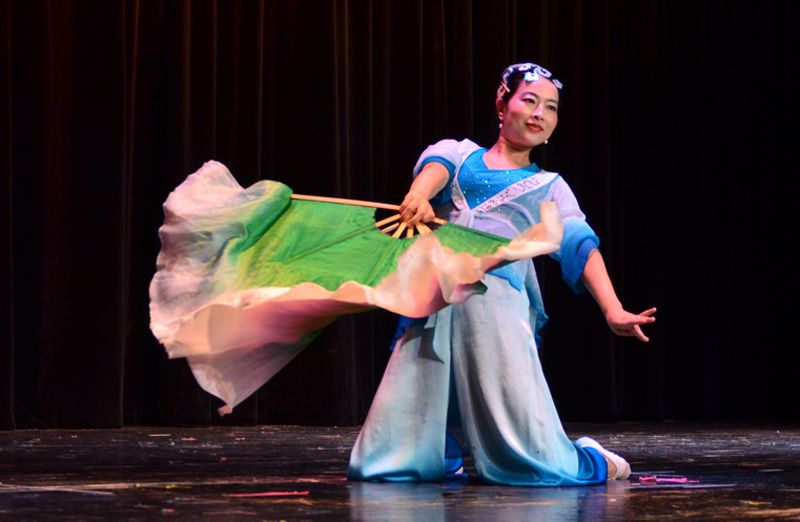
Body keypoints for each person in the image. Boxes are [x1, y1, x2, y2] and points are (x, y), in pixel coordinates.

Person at [347, 63, 656, 486]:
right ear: (501, 103)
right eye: (529, 100)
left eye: (551, 107)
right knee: (385, 461)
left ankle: (593, 460)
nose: (540, 113)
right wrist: (418, 196)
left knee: (533, 465)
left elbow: (578, 243)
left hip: (496, 308)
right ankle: (442, 450)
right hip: (436, 299)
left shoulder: (549, 186)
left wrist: (613, 308)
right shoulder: (459, 155)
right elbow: (433, 172)